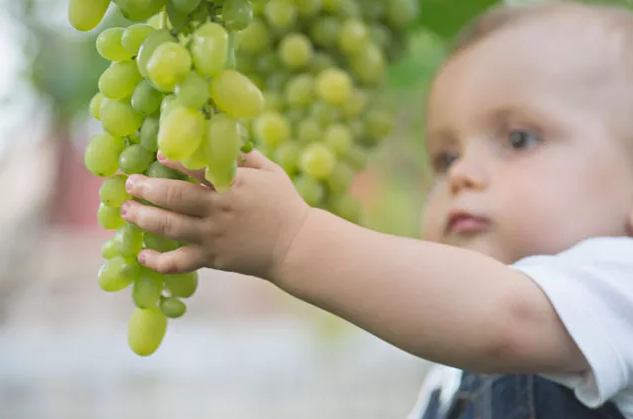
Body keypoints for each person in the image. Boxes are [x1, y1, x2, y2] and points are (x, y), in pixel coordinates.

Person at [117, 1, 633, 417]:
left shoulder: (620, 284)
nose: (460, 174)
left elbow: (504, 319)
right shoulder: (447, 379)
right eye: (444, 157)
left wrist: (291, 243)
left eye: (519, 139)